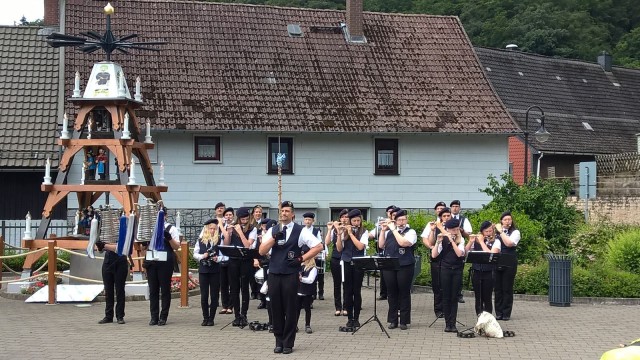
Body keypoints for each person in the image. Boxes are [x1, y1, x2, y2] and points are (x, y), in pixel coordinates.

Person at [259, 201, 322, 355]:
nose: (284, 213)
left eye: (287, 211)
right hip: (274, 273)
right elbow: (261, 251)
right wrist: (274, 238)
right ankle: (278, 341)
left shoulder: (300, 230)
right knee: (276, 308)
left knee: (290, 308)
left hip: (291, 274)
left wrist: (301, 259)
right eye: (282, 210)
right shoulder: (273, 229)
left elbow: (318, 246)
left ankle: (288, 342)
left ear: (292, 214)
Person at [378, 209, 416, 330]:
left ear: (407, 220)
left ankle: (404, 321)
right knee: (391, 293)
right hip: (390, 265)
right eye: (399, 220)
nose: (401, 222)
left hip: (404, 265)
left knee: (404, 292)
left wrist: (393, 229)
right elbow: (381, 245)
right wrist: (383, 231)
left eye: (403, 219)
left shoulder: (411, 232)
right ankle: (393, 320)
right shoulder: (389, 232)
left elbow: (403, 243)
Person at [146, 207, 180, 326]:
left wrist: (169, 238)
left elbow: (176, 247)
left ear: (165, 215)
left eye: (161, 215)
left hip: (165, 262)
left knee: (165, 290)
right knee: (153, 290)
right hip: (152, 261)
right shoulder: (149, 228)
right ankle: (153, 316)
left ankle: (163, 316)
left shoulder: (171, 228)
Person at [430, 217, 465, 333]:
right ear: (447, 229)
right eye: (451, 230)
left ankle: (453, 323)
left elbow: (459, 254)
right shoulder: (442, 239)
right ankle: (447, 323)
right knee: (445, 295)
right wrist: (438, 242)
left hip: (457, 270)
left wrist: (452, 241)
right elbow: (434, 255)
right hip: (445, 269)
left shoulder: (461, 240)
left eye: (455, 230)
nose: (453, 232)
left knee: (454, 297)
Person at [224, 206, 257, 327]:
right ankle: (236, 315)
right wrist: (229, 233)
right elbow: (227, 244)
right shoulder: (233, 226)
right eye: (242, 219)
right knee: (234, 288)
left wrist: (240, 232)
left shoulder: (252, 229)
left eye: (246, 218)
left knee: (244, 288)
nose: (244, 221)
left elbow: (248, 245)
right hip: (233, 261)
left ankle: (244, 314)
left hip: (245, 261)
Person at [336, 209, 368, 330]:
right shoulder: (344, 231)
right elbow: (339, 249)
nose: (356, 223)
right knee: (347, 291)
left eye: (358, 220)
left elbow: (360, 246)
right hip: (346, 262)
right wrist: (340, 234)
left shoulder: (364, 232)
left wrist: (351, 234)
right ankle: (349, 318)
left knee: (356, 291)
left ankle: (357, 318)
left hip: (359, 263)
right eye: (353, 220)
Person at [465, 221, 501, 316]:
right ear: (482, 232)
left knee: (487, 298)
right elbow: (465, 253)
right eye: (486, 231)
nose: (488, 233)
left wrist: (481, 242)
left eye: (490, 231)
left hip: (489, 272)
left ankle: (488, 320)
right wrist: (470, 241)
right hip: (477, 271)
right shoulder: (476, 240)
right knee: (478, 298)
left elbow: (491, 254)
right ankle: (479, 319)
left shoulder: (496, 241)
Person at [193, 218, 222, 326]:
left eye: (214, 229)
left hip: (215, 270)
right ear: (207, 229)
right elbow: (195, 253)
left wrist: (217, 259)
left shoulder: (219, 240)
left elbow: (223, 255)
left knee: (214, 295)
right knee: (204, 295)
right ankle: (205, 317)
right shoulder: (200, 240)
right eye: (211, 228)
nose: (212, 230)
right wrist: (202, 256)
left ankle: (211, 318)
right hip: (204, 270)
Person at [96, 229, 129, 325]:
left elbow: (121, 248)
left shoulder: (123, 230)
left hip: (120, 262)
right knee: (108, 290)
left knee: (119, 290)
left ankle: (120, 316)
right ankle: (108, 315)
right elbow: (100, 250)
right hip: (108, 261)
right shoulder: (106, 233)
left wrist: (104, 245)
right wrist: (100, 246)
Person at [421, 201, 447, 318]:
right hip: (437, 257)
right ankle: (438, 309)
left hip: (449, 258)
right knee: (437, 285)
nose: (446, 217)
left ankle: (448, 308)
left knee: (447, 284)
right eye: (444, 215)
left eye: (448, 215)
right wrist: (432, 245)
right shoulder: (433, 225)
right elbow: (428, 241)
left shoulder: (454, 226)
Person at [494, 211, 521, 321]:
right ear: (501, 221)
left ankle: (506, 313)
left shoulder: (515, 232)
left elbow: (509, 243)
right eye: (505, 220)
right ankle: (498, 312)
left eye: (509, 219)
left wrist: (501, 232)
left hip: (509, 261)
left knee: (507, 288)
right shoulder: (496, 233)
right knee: (498, 288)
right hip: (498, 260)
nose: (507, 221)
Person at [369, 205, 397, 300]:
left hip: (395, 251)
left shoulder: (399, 224)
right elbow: (373, 234)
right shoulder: (382, 223)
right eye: (389, 211)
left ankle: (392, 294)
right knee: (384, 273)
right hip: (384, 250)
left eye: (393, 212)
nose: (390, 213)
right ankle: (383, 293)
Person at [326, 209, 349, 316]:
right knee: (337, 283)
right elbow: (326, 242)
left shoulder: (350, 229)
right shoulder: (335, 230)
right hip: (336, 257)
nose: (344, 219)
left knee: (346, 284)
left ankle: (346, 306)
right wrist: (330, 229)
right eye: (342, 217)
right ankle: (338, 307)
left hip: (347, 258)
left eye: (346, 217)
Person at [450, 200, 472, 304]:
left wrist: (461, 231)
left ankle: (458, 294)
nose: (455, 208)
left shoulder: (464, 220)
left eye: (457, 206)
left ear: (460, 208)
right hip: (448, 247)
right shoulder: (446, 218)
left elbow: (469, 235)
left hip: (460, 246)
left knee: (459, 273)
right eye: (453, 206)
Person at [302, 212, 324, 300]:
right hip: (304, 255)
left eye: (309, 220)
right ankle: (311, 294)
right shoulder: (301, 230)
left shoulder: (316, 231)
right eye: (306, 220)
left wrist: (316, 254)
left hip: (314, 255)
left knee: (318, 276)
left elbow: (319, 242)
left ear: (313, 221)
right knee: (306, 274)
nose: (307, 221)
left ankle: (321, 293)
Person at [218, 207, 234, 315]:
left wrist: (220, 225)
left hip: (231, 257)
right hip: (221, 257)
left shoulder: (233, 226)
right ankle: (224, 305)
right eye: (226, 215)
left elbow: (227, 239)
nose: (228, 217)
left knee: (231, 283)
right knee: (223, 284)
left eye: (230, 215)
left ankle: (231, 306)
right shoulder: (221, 227)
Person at [297, 251, 318, 334]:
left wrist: (301, 279)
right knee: (296, 309)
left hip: (307, 292)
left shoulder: (313, 269)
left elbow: (310, 280)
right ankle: (295, 325)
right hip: (298, 291)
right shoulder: (301, 267)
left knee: (307, 309)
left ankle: (307, 325)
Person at [249, 205, 264, 299]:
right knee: (251, 273)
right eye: (256, 212)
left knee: (260, 271)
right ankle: (253, 291)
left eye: (259, 212)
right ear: (253, 213)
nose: (258, 213)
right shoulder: (250, 224)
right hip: (251, 249)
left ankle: (259, 291)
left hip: (260, 250)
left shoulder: (263, 224)